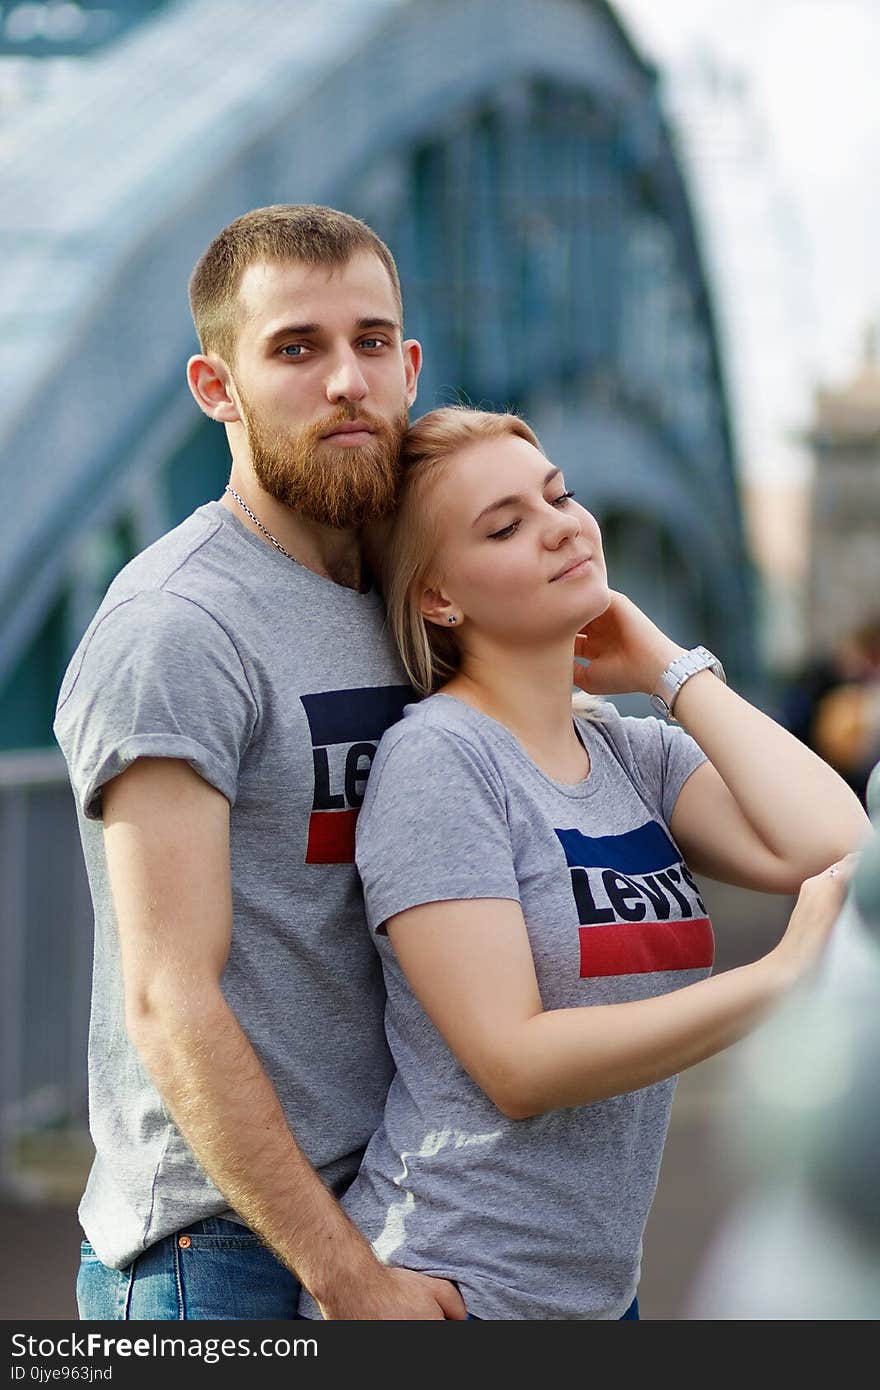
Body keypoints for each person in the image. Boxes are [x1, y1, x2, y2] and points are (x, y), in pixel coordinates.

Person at [298, 406, 871, 1321]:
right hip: (456, 1285)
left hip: (597, 1298)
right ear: (438, 598)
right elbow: (515, 1063)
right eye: (506, 524)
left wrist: (665, 666)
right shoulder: (440, 763)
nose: (562, 523)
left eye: (558, 494)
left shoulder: (627, 751)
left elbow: (839, 845)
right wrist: (780, 977)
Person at [54, 205, 467, 1321]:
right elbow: (165, 995)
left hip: (396, 1203)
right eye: (296, 348)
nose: (346, 380)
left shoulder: (416, 598)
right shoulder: (177, 627)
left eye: (371, 342)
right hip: (218, 1255)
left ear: (410, 366)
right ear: (215, 387)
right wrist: (347, 1279)